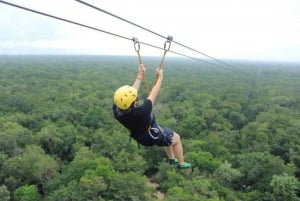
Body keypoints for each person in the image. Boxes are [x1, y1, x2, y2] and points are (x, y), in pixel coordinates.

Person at [112, 63, 191, 170]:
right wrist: (160, 78)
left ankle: (172, 159)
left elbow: (130, 94)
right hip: (150, 135)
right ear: (133, 102)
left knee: (166, 135)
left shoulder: (117, 111)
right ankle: (181, 164)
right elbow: (153, 94)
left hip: (141, 134)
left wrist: (140, 75)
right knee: (176, 138)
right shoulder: (142, 112)